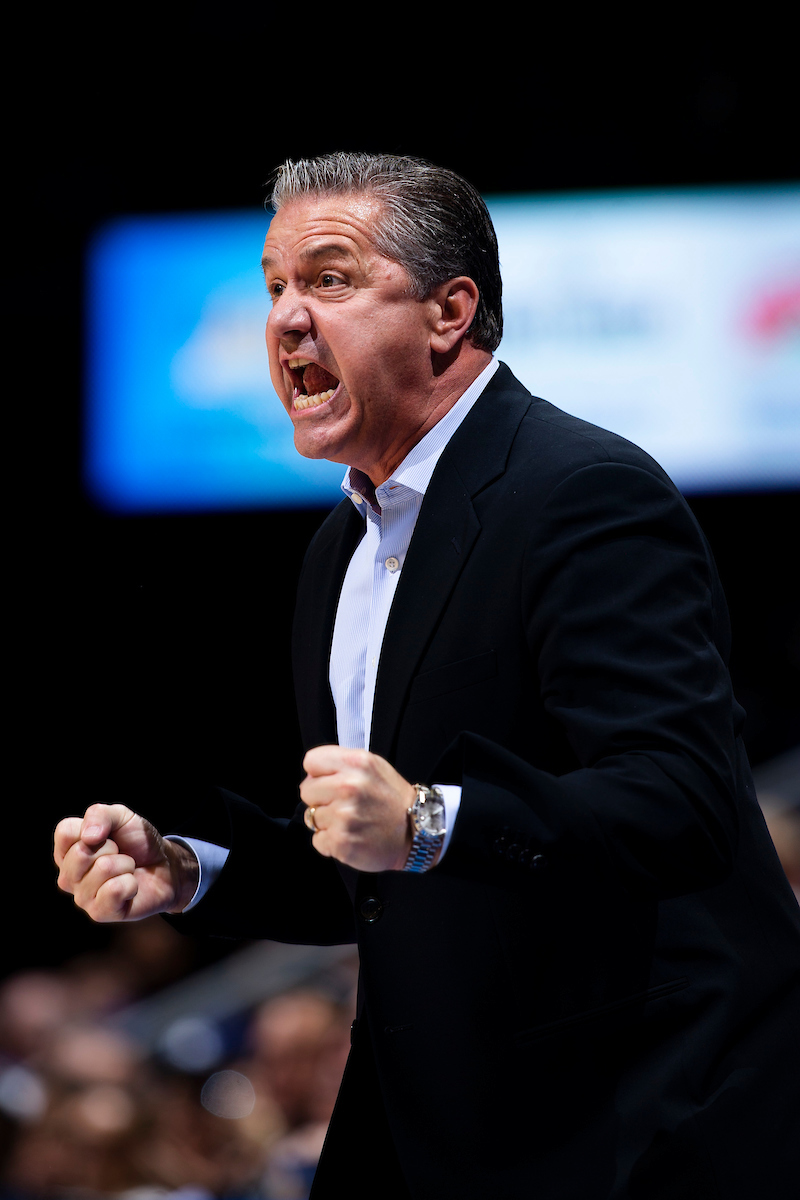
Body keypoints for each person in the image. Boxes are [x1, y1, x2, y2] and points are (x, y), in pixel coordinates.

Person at [54, 153, 800, 1199]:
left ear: (449, 312)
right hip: (439, 1120)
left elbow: (677, 805)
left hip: (629, 1117)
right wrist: (189, 870)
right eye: (274, 286)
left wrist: (424, 822)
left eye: (329, 279)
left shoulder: (583, 492)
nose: (285, 318)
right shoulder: (341, 549)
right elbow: (372, 870)